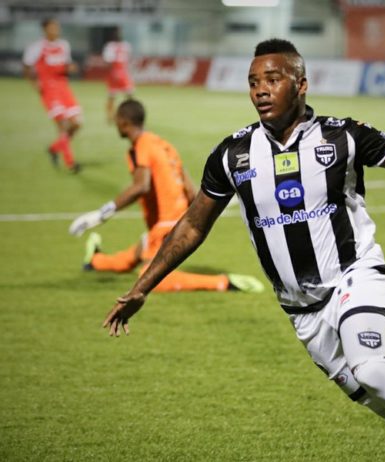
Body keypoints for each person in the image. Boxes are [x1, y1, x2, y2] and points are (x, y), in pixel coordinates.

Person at [102, 39, 385, 460]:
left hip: (354, 276)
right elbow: (193, 225)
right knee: (374, 397)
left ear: (301, 84)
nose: (261, 90)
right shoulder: (233, 154)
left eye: (273, 79)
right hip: (301, 310)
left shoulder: (344, 136)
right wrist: (142, 287)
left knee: (373, 369)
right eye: (253, 82)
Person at [68, 99, 263, 294]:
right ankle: (95, 261)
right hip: (178, 220)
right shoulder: (164, 145)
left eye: (116, 120)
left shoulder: (141, 147)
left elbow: (140, 186)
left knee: (151, 276)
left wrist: (102, 214)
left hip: (167, 223)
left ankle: (224, 282)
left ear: (123, 122)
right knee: (141, 251)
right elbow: (190, 190)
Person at [23, 18, 82, 173]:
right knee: (62, 125)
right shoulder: (37, 47)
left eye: (57, 27)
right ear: (45, 29)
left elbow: (66, 64)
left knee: (76, 124)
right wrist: (34, 83)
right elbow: (27, 66)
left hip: (64, 88)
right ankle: (70, 163)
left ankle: (54, 148)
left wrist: (71, 67)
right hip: (49, 90)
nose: (56, 30)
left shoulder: (64, 45)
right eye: (53, 27)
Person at [102, 26, 134, 124]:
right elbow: (107, 61)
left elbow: (128, 59)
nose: (119, 34)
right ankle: (110, 116)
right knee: (112, 96)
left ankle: (130, 115)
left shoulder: (126, 45)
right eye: (116, 32)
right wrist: (113, 72)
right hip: (114, 73)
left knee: (129, 95)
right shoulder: (110, 46)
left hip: (124, 73)